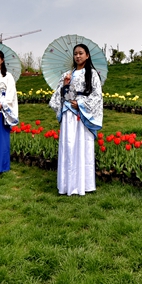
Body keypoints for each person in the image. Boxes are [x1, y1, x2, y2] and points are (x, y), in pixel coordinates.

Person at [49, 43, 103, 195]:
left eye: (81, 53)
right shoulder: (67, 74)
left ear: (87, 55)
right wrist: (64, 86)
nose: (78, 56)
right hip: (68, 113)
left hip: (82, 114)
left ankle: (84, 184)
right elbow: (57, 96)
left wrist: (80, 104)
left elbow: (97, 95)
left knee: (82, 145)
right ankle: (67, 184)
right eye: (75, 54)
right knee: (69, 145)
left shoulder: (92, 74)